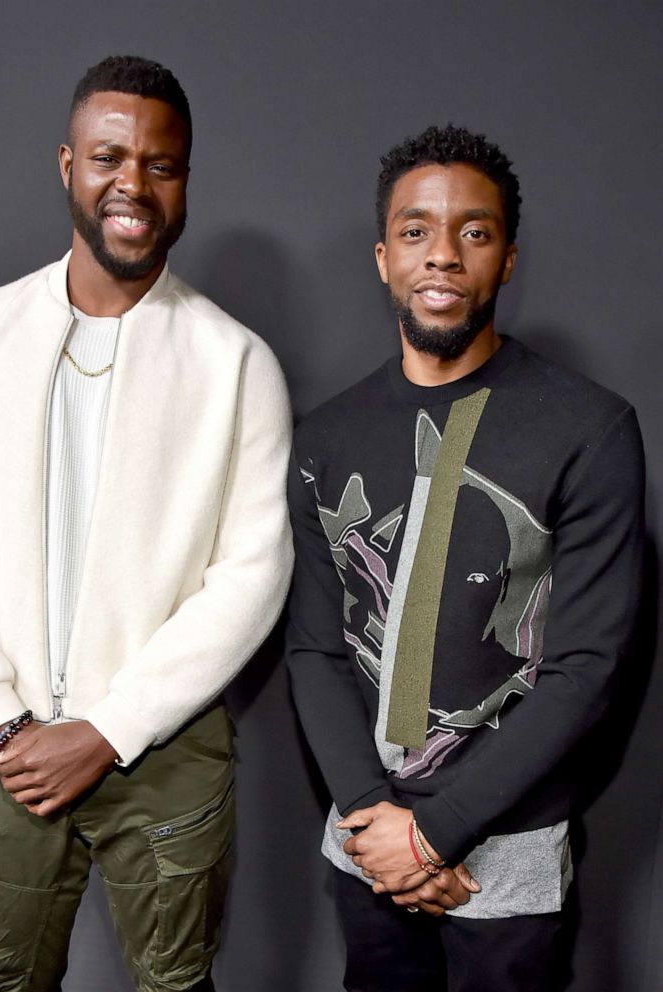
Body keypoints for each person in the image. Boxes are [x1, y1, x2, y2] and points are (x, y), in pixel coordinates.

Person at [0, 55, 292, 992]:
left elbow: (253, 573)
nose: (133, 185)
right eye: (110, 157)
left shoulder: (236, 363)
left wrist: (110, 726)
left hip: (168, 745)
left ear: (185, 179)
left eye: (161, 163)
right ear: (67, 164)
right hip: (7, 747)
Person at [285, 124, 644, 992]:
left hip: (505, 849)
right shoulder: (325, 438)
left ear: (508, 258)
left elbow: (587, 667)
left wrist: (438, 831)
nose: (442, 255)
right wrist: (381, 824)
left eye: (473, 233)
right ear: (382, 256)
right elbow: (316, 648)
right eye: (416, 231)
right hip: (367, 844)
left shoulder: (588, 428)